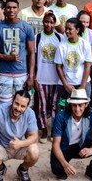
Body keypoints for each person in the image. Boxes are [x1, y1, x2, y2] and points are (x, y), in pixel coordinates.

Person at [50, 88, 92, 181]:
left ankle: (91, 171)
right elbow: (56, 145)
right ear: (70, 105)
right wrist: (65, 165)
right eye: (74, 105)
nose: (77, 109)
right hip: (65, 147)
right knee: (57, 169)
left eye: (80, 105)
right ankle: (63, 170)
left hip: (82, 145)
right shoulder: (61, 116)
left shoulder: (91, 113)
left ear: (86, 104)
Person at [0, 0, 36, 106]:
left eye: (14, 7)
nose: (11, 10)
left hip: (22, 74)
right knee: (4, 107)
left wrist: (31, 76)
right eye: (9, 7)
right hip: (5, 74)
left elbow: (32, 53)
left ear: (18, 9)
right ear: (4, 10)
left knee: (24, 107)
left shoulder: (26, 27)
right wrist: (7, 57)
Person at [33, 11, 63, 142]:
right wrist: (33, 76)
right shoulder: (37, 38)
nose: (48, 25)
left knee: (55, 106)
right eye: (46, 22)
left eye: (51, 22)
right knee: (42, 105)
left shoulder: (60, 38)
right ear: (43, 22)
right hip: (41, 78)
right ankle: (44, 130)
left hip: (56, 79)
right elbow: (33, 58)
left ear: (54, 23)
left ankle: (55, 130)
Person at [55, 17, 92, 101]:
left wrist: (83, 86)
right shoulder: (61, 46)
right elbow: (58, 67)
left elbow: (87, 66)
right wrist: (65, 85)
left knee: (83, 109)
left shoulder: (85, 45)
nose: (67, 31)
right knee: (66, 109)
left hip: (83, 82)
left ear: (77, 30)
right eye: (66, 29)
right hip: (66, 85)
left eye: (70, 29)